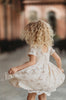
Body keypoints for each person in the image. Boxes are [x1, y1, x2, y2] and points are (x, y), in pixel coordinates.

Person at [0, 20, 65, 100]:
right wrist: (59, 69)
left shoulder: (34, 47)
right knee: (43, 95)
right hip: (46, 75)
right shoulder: (48, 47)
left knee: (31, 95)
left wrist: (17, 68)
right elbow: (58, 59)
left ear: (33, 34)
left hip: (36, 75)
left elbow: (32, 62)